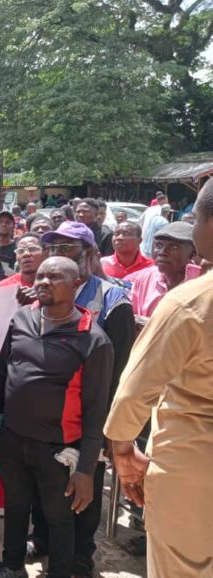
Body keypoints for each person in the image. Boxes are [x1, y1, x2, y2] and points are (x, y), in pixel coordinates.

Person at [103, 179, 213, 578]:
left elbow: (135, 391)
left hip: (195, 469)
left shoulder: (191, 301)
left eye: (195, 218)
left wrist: (122, 449)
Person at [0, 257, 114, 578]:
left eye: (54, 277)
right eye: (40, 276)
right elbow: (1, 375)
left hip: (58, 448)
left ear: (76, 284)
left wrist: (85, 468)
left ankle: (59, 572)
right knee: (15, 505)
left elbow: (97, 410)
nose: (43, 281)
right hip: (13, 438)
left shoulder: (93, 339)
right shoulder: (22, 320)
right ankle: (12, 565)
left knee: (59, 517)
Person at [34, 221, 135, 575]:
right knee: (46, 483)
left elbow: (121, 370)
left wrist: (108, 426)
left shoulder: (112, 302)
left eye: (67, 249)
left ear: (90, 254)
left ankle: (81, 557)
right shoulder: (42, 294)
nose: (57, 256)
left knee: (83, 486)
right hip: (46, 415)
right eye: (53, 249)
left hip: (89, 418)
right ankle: (44, 540)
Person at [125, 221, 195, 321]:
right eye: (159, 246)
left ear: (193, 252)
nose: (163, 252)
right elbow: (131, 315)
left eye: (174, 247)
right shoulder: (145, 277)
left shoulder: (200, 282)